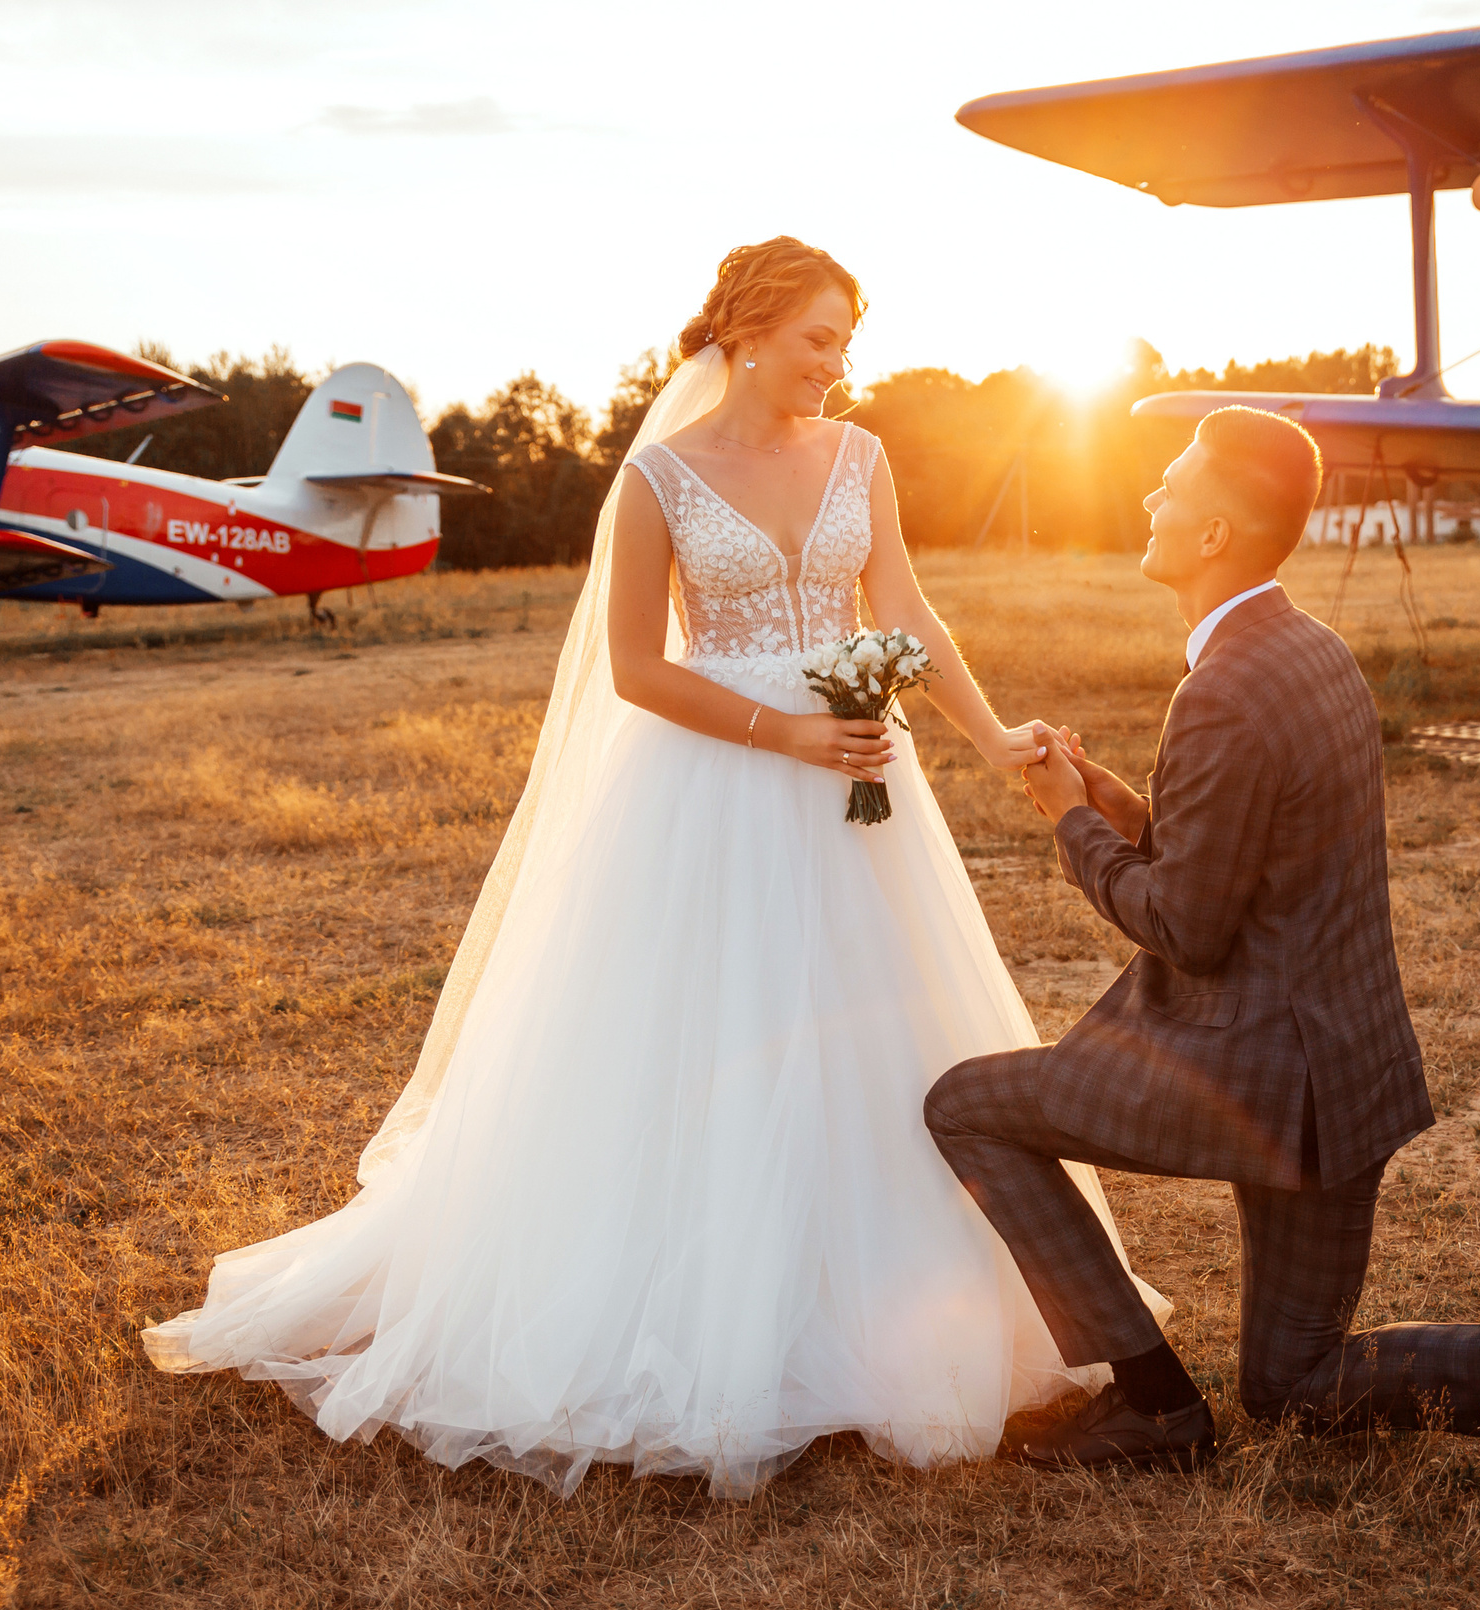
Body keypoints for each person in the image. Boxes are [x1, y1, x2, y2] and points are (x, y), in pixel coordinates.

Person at [144, 238, 1163, 1499]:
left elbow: (902, 605)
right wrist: (786, 730)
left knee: (872, 1039)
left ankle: (888, 1312)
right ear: (745, 334)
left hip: (859, 786)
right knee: (700, 1037)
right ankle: (699, 1317)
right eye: (818, 341)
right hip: (713, 790)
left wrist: (990, 735)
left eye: (847, 342)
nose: (839, 367)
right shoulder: (658, 481)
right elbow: (635, 667)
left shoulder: (864, 459)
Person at [927, 407, 1480, 1513]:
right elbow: (1248, 854)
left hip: (1253, 1079)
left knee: (967, 1107)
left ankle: (1151, 1399)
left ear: (1218, 531)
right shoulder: (1308, 650)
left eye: (1170, 486)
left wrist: (1064, 823)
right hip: (1345, 1077)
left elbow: (1186, 925)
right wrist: (1117, 799)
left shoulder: (1222, 687)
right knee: (1291, 1383)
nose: (1148, 500)